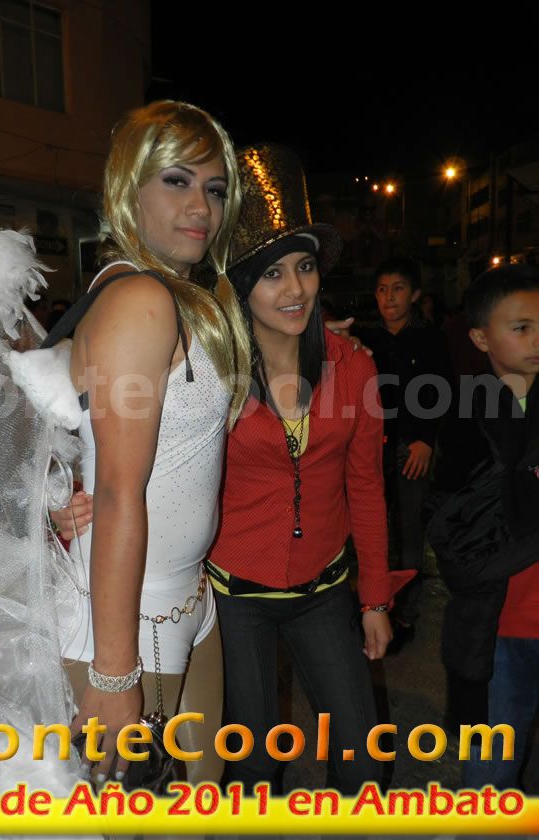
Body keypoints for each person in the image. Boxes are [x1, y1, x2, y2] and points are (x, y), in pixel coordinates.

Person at [204, 143, 415, 794]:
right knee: (252, 764)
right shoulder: (209, 374)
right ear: (242, 284)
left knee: (363, 757)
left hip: (324, 590)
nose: (295, 289)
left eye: (305, 267)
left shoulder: (354, 367)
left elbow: (367, 490)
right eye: (272, 274)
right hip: (234, 598)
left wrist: (375, 599)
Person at [52, 100, 251, 785]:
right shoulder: (141, 300)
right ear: (127, 187)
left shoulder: (179, 297)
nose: (201, 206)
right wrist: (114, 674)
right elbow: (116, 489)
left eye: (215, 189)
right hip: (128, 620)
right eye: (176, 180)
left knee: (196, 810)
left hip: (186, 597)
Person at [431, 264, 539, 790]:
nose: (537, 339)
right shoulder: (465, 412)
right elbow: (452, 520)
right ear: (480, 338)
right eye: (521, 328)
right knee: (493, 764)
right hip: (502, 620)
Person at [355, 258, 452, 653]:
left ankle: (406, 613)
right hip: (370, 448)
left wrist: (426, 440)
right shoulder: (365, 339)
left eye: (397, 289)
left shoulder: (430, 339)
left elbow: (442, 391)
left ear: (414, 295)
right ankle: (372, 604)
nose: (389, 297)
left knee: (410, 530)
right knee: (371, 528)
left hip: (412, 447)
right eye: (382, 289)